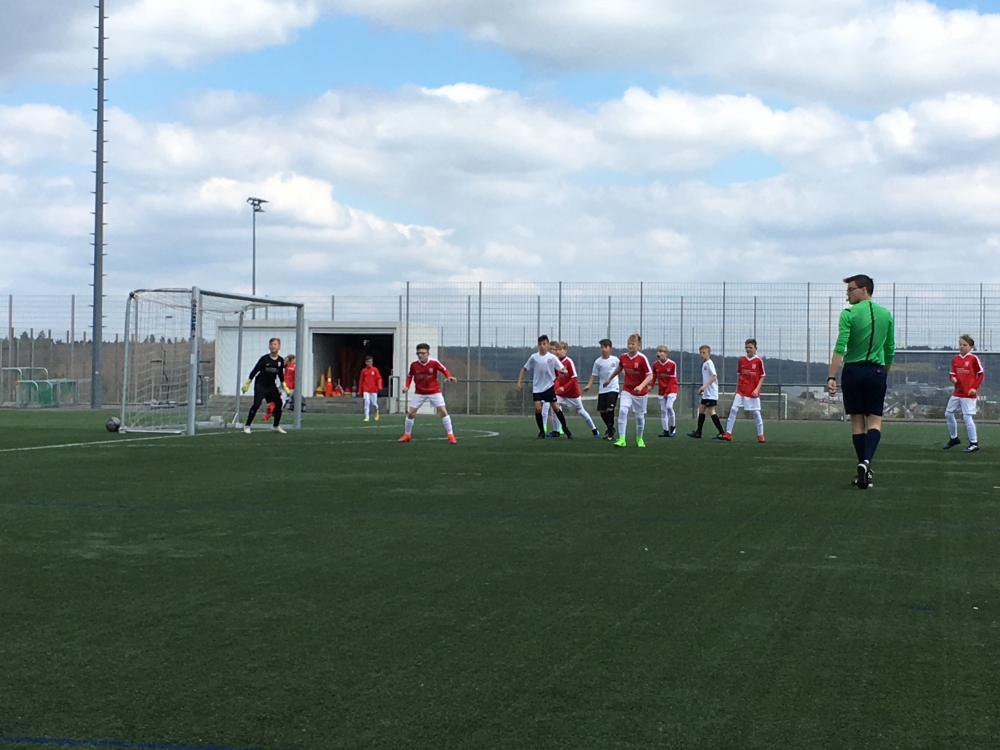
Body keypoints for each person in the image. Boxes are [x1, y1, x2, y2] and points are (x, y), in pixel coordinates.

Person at [827, 274, 895, 490]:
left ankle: (864, 466)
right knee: (875, 422)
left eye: (850, 289)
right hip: (876, 371)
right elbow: (890, 348)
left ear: (864, 290)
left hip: (853, 371)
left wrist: (831, 376)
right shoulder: (886, 315)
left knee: (857, 423)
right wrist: (884, 372)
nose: (847, 295)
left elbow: (840, 346)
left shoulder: (849, 314)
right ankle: (867, 462)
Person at [516, 334, 572, 439]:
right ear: (538, 345)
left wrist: (564, 371)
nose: (542, 346)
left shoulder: (552, 358)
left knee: (556, 408)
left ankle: (566, 429)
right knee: (538, 409)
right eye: (540, 344)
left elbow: (562, 369)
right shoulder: (534, 357)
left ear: (548, 344)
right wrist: (519, 382)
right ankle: (541, 431)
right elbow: (524, 369)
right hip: (537, 388)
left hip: (549, 387)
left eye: (544, 344)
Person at [399, 344, 458, 443]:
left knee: (443, 411)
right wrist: (407, 386)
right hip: (420, 392)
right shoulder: (414, 365)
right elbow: (410, 376)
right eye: (418, 353)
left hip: (434, 391)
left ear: (428, 353)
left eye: (422, 353)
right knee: (411, 413)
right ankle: (407, 435)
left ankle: (451, 435)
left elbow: (444, 369)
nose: (420, 355)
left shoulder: (434, 362)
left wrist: (449, 377)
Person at [604, 333, 653, 448]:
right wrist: (610, 378)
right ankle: (622, 439)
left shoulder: (642, 358)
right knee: (622, 411)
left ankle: (639, 438)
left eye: (633, 344)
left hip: (640, 393)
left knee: (639, 418)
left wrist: (641, 386)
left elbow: (650, 375)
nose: (630, 346)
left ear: (638, 346)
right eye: (629, 344)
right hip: (627, 390)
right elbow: (620, 368)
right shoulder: (623, 357)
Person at [943, 334, 983, 453]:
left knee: (967, 417)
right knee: (948, 413)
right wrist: (953, 378)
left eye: (965, 345)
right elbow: (952, 373)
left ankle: (974, 443)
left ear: (971, 347)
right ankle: (954, 438)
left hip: (968, 394)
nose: (962, 347)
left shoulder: (973, 359)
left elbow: (981, 374)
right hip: (957, 392)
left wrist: (974, 388)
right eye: (960, 344)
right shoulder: (956, 359)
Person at [554, 342, 601, 438]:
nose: (558, 352)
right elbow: (556, 377)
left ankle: (594, 430)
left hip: (572, 393)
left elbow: (574, 378)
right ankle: (557, 430)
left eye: (560, 349)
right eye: (557, 350)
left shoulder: (569, 362)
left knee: (581, 411)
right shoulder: (556, 362)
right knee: (555, 407)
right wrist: (557, 388)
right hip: (561, 393)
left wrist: (564, 387)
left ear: (565, 351)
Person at [242, 337, 289, 434]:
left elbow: (280, 374)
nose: (273, 346)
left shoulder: (280, 360)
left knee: (279, 403)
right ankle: (247, 425)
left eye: (275, 344)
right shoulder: (264, 359)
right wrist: (248, 383)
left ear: (279, 346)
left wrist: (284, 385)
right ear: (269, 346)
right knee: (257, 404)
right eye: (271, 344)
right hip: (260, 385)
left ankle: (276, 426)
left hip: (271, 386)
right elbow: (255, 370)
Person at [723, 339, 766, 442]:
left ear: (755, 348)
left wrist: (757, 389)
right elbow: (739, 375)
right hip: (741, 390)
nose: (748, 349)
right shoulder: (741, 360)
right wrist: (737, 389)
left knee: (756, 412)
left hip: (752, 391)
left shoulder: (758, 361)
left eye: (750, 347)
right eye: (746, 347)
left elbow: (762, 376)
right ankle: (728, 433)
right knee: (733, 409)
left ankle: (760, 435)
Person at [583, 339, 620, 440]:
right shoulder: (598, 362)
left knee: (610, 409)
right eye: (602, 347)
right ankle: (610, 428)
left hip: (613, 388)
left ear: (610, 349)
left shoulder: (615, 360)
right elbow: (594, 375)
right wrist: (588, 385)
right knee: (602, 411)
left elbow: (621, 370)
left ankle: (610, 432)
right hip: (603, 389)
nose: (603, 349)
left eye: (605, 347)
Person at [688, 345, 725, 439]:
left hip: (711, 393)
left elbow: (714, 377)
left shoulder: (709, 363)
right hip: (707, 393)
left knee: (711, 411)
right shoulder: (705, 364)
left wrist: (705, 387)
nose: (702, 354)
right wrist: (703, 390)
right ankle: (698, 432)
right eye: (700, 353)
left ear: (709, 354)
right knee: (701, 409)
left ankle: (722, 433)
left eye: (704, 353)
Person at [653, 345, 678, 437]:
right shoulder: (655, 364)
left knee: (669, 407)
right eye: (658, 351)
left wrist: (667, 392)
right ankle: (665, 430)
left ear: (666, 353)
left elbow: (672, 380)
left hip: (671, 390)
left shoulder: (672, 364)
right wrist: (650, 387)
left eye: (661, 351)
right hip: (661, 391)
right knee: (663, 410)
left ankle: (673, 427)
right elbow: (654, 377)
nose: (659, 353)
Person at [264, 353, 295, 422]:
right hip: (290, 386)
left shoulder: (283, 367)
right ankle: (275, 411)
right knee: (284, 400)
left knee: (282, 398)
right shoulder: (293, 367)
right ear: (292, 360)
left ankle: (273, 409)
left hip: (282, 385)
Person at [358, 356, 383, 422]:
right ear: (366, 362)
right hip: (366, 389)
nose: (369, 363)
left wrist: (379, 386)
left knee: (374, 403)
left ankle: (377, 413)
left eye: (370, 362)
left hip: (373, 390)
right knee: (367, 402)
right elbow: (361, 381)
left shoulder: (375, 370)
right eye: (368, 362)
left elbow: (379, 378)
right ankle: (367, 417)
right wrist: (360, 390)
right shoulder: (363, 371)